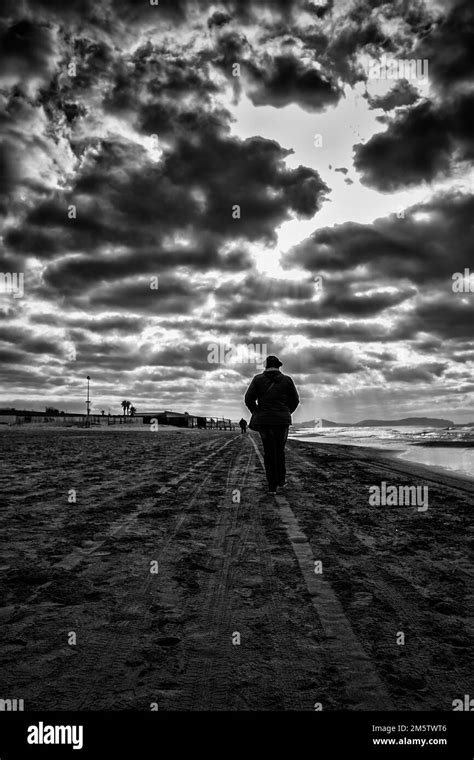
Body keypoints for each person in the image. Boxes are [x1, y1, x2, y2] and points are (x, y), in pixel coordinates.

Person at [244, 355, 299, 494]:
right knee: (279, 451)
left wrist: (257, 412)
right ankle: (281, 480)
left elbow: (248, 399)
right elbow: (295, 400)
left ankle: (272, 486)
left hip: (265, 421)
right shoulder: (287, 380)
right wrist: (286, 412)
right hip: (282, 421)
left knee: (269, 452)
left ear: (266, 366)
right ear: (279, 366)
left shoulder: (258, 379)